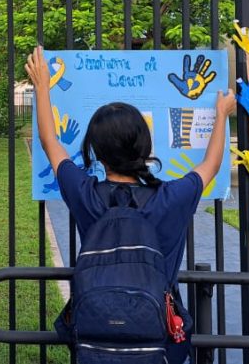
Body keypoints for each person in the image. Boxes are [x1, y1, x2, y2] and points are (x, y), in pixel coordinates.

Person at [25, 46, 236, 364]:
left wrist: (42, 86)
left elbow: (50, 142)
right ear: (145, 144)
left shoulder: (87, 195)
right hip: (157, 336)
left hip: (97, 336)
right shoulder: (171, 197)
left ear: (96, 150)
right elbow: (212, 162)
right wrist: (221, 114)